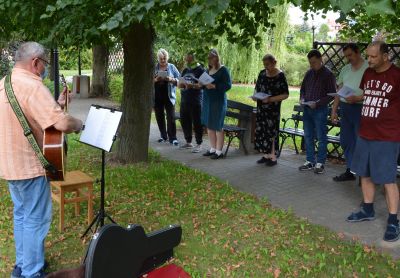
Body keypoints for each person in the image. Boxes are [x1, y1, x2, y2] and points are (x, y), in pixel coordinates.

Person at [0, 42, 83, 278]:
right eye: (45, 63)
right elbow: (63, 124)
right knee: (36, 220)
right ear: (35, 62)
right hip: (29, 167)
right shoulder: (32, 86)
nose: (44, 68)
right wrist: (79, 124)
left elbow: (27, 117)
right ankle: (31, 273)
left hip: (9, 165)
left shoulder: (5, 84)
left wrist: (57, 106)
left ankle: (22, 265)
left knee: (22, 216)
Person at [347, 41, 400, 242]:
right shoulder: (368, 73)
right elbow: (369, 95)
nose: (368, 60)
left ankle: (394, 221)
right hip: (365, 133)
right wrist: (356, 98)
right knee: (365, 174)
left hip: (387, 136)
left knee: (387, 179)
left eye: (373, 57)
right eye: (368, 56)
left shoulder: (397, 76)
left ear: (385, 56)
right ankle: (367, 209)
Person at [331, 43, 369, 182]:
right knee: (346, 141)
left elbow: (373, 92)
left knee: (361, 142)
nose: (348, 58)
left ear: (358, 52)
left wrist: (358, 98)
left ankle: (364, 175)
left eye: (350, 55)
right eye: (346, 56)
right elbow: (339, 91)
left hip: (361, 109)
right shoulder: (345, 69)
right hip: (346, 109)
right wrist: (334, 110)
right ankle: (350, 170)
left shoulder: (368, 68)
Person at [298, 49, 336, 174]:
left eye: (314, 62)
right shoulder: (309, 73)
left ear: (320, 59)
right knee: (308, 136)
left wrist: (318, 103)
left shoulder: (328, 74)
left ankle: (320, 163)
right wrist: (302, 98)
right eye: (310, 63)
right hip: (307, 109)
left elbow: (331, 95)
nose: (312, 65)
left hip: (320, 110)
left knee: (321, 136)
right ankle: (309, 161)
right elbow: (303, 89)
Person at [252, 54, 289, 166]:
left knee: (271, 132)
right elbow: (257, 88)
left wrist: (271, 99)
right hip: (261, 108)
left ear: (274, 62)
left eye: (267, 64)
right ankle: (266, 155)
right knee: (262, 131)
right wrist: (255, 96)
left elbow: (285, 94)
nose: (266, 67)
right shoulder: (262, 73)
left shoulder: (280, 75)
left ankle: (273, 157)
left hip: (272, 110)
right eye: (264, 64)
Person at [201, 49, 232, 159]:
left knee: (218, 126)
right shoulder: (207, 70)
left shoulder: (223, 70)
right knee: (209, 125)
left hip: (218, 101)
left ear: (217, 57)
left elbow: (228, 85)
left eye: (212, 57)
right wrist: (202, 84)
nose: (210, 59)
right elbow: (203, 83)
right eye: (209, 58)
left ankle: (219, 151)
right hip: (208, 101)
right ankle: (212, 148)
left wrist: (214, 86)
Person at [178, 53, 205, 153]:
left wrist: (192, 86)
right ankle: (188, 142)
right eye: (186, 59)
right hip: (185, 99)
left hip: (196, 100)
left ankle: (199, 144)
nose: (186, 60)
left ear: (193, 58)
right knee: (185, 120)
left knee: (197, 122)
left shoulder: (200, 70)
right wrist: (182, 84)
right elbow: (179, 84)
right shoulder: (185, 70)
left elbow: (202, 85)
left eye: (188, 59)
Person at [153, 48, 180, 145]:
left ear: (167, 58)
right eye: (161, 59)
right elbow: (148, 81)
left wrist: (171, 79)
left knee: (171, 117)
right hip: (157, 96)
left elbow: (180, 80)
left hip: (169, 96)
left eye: (164, 58)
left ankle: (173, 138)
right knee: (159, 116)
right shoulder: (154, 67)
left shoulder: (172, 67)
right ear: (158, 59)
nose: (163, 61)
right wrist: (156, 79)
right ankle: (163, 136)